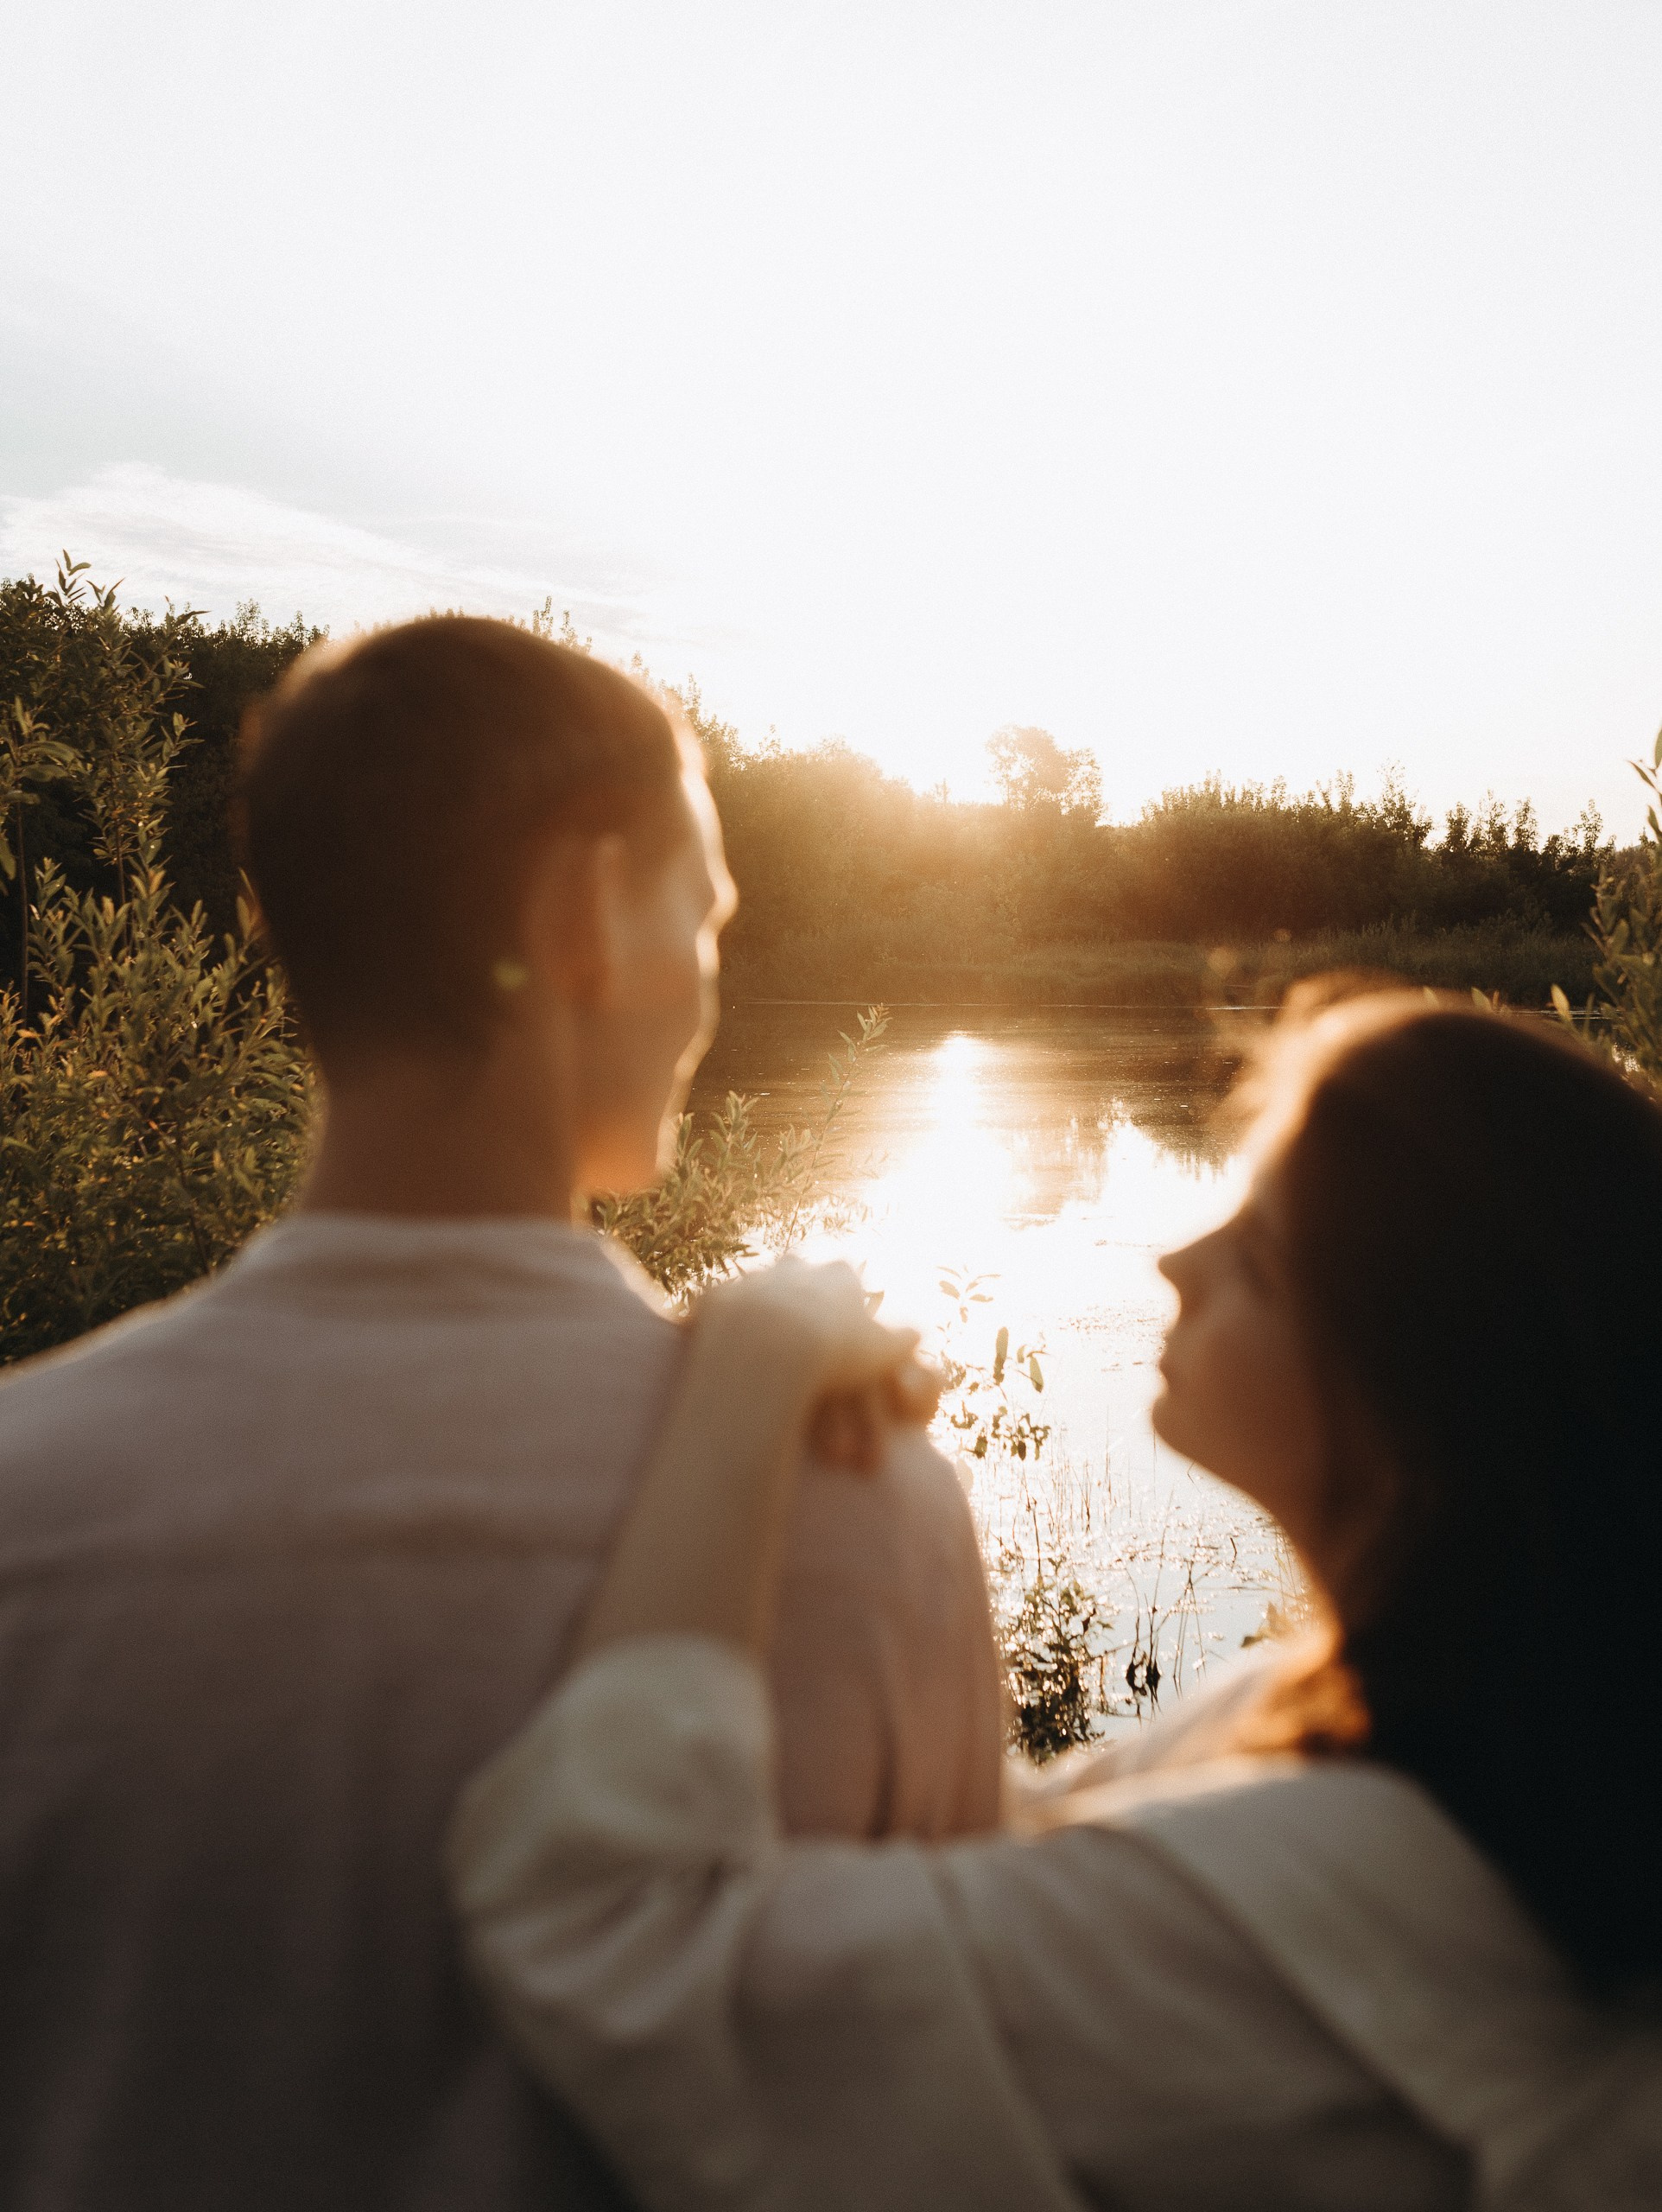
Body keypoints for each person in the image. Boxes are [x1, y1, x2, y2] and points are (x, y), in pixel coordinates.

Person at [0, 619, 1000, 2210]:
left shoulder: (23, 1503)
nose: (710, 984)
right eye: (709, 917)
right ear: (587, 916)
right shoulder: (863, 1505)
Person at [450, 988, 1662, 2212]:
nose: (1171, 1258)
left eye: (1253, 1261)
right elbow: (1004, 1848)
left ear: (1420, 1417)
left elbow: (617, 1943)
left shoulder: (1359, 1896)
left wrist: (749, 1374)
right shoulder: (1366, 1736)